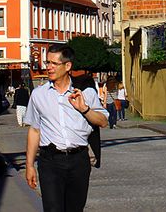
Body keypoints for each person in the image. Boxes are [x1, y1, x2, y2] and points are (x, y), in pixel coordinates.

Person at [24, 45, 108, 212]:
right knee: (53, 208)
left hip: (79, 160)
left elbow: (103, 121)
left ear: (67, 66)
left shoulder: (85, 92)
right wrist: (29, 165)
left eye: (54, 63)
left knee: (75, 208)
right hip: (50, 160)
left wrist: (84, 109)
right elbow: (34, 130)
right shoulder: (39, 94)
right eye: (48, 62)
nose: (49, 67)